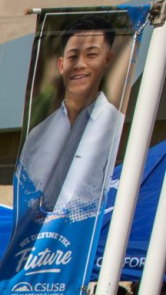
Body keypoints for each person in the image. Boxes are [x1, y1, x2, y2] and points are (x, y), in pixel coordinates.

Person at [16, 14, 128, 219]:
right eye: (73, 56)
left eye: (91, 55)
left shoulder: (118, 128)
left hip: (93, 232)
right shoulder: (38, 135)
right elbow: (25, 198)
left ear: (107, 59)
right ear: (61, 65)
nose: (80, 65)